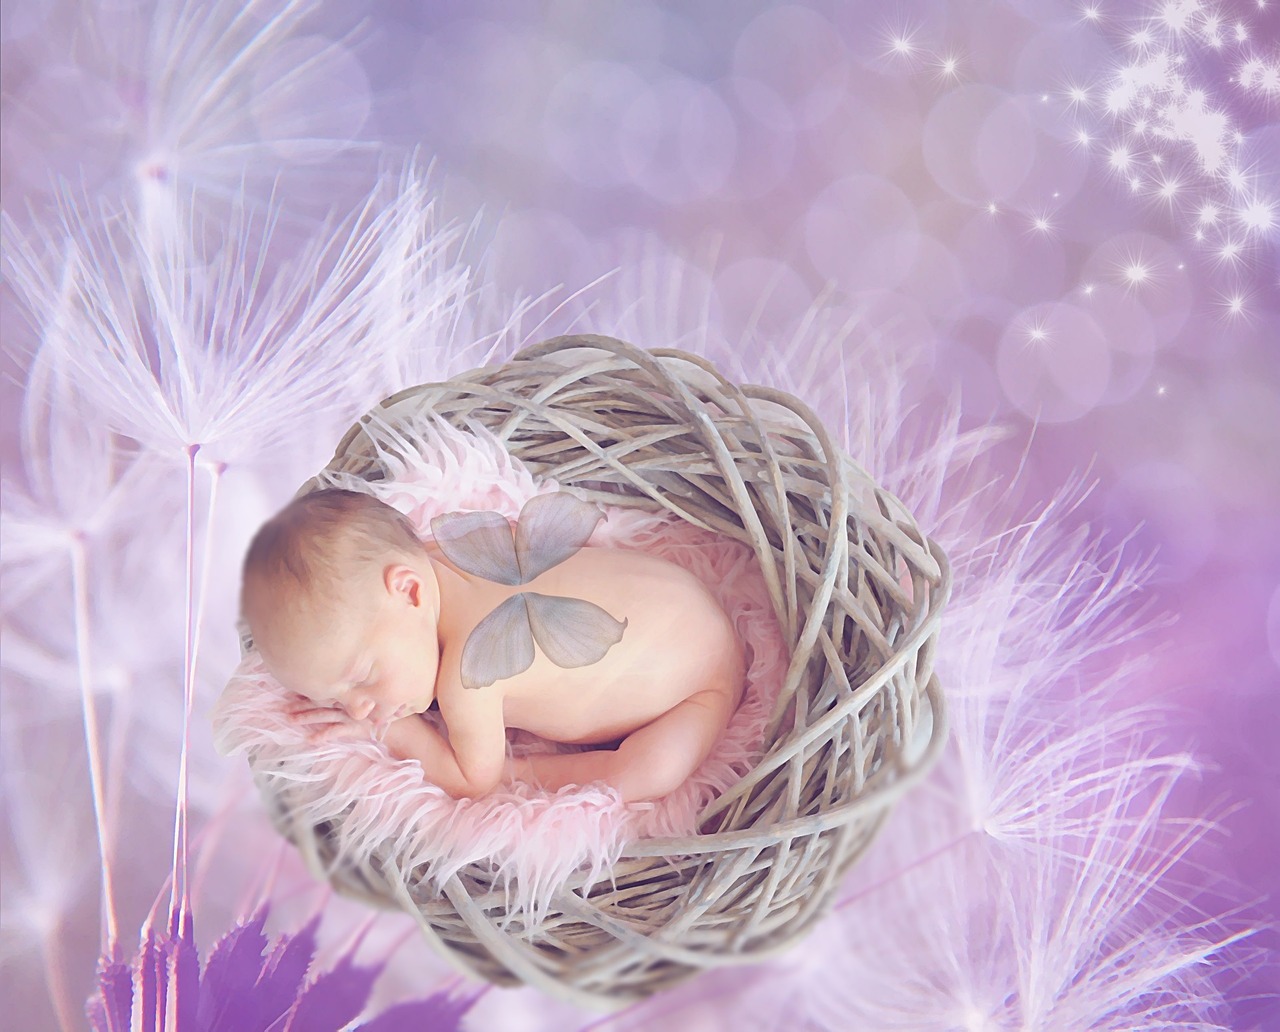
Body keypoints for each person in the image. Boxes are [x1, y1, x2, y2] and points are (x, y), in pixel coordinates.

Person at [240, 488, 746, 802]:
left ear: (409, 590)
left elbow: (471, 781)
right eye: (335, 702)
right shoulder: (446, 551)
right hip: (687, 594)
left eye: (363, 676)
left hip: (700, 691)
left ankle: (529, 771)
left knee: (646, 772)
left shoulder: (470, 672)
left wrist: (398, 733)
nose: (361, 709)